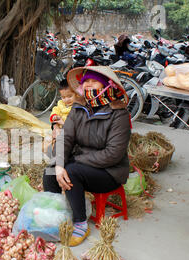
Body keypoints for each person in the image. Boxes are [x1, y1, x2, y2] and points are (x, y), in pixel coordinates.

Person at [43, 66, 131, 247]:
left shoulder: (119, 114)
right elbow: (66, 138)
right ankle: (56, 216)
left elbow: (113, 154)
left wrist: (73, 162)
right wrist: (59, 164)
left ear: (108, 85)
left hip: (109, 172)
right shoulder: (79, 108)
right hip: (83, 164)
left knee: (72, 171)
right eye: (86, 81)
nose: (89, 85)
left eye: (94, 81)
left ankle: (81, 224)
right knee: (51, 171)